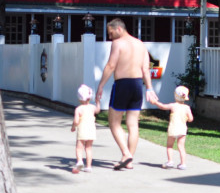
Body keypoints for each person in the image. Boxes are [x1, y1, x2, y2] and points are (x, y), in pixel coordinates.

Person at [96, 18, 158, 170]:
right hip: (137, 85)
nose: (110, 37)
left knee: (114, 122)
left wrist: (100, 86)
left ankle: (126, 153)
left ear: (119, 29)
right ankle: (129, 161)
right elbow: (145, 69)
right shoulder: (140, 44)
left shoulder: (118, 43)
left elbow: (111, 65)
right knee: (133, 124)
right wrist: (149, 88)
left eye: (111, 33)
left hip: (122, 85)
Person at [151, 86, 194, 170]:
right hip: (182, 130)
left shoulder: (173, 106)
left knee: (170, 146)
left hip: (173, 129)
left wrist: (155, 102)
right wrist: (186, 118)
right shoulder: (187, 108)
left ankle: (170, 161)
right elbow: (191, 119)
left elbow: (163, 106)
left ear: (175, 95)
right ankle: (183, 164)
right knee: (181, 147)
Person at [71, 84, 100, 174]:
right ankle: (89, 166)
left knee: (79, 147)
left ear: (79, 98)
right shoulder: (92, 107)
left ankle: (80, 161)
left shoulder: (78, 109)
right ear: (90, 97)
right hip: (91, 131)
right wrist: (98, 102)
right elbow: (98, 110)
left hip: (82, 131)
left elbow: (76, 121)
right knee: (88, 148)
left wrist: (73, 127)